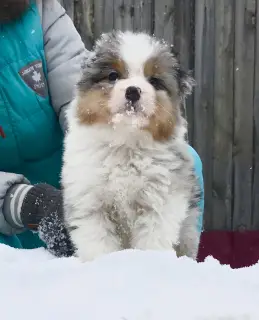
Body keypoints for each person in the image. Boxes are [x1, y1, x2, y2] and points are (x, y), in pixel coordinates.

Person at [0, 0, 204, 258]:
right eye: (116, 77)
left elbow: (77, 85)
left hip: (62, 173)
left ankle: (173, 276)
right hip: (9, 213)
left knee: (186, 164)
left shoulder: (40, 9)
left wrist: (105, 135)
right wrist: (21, 201)